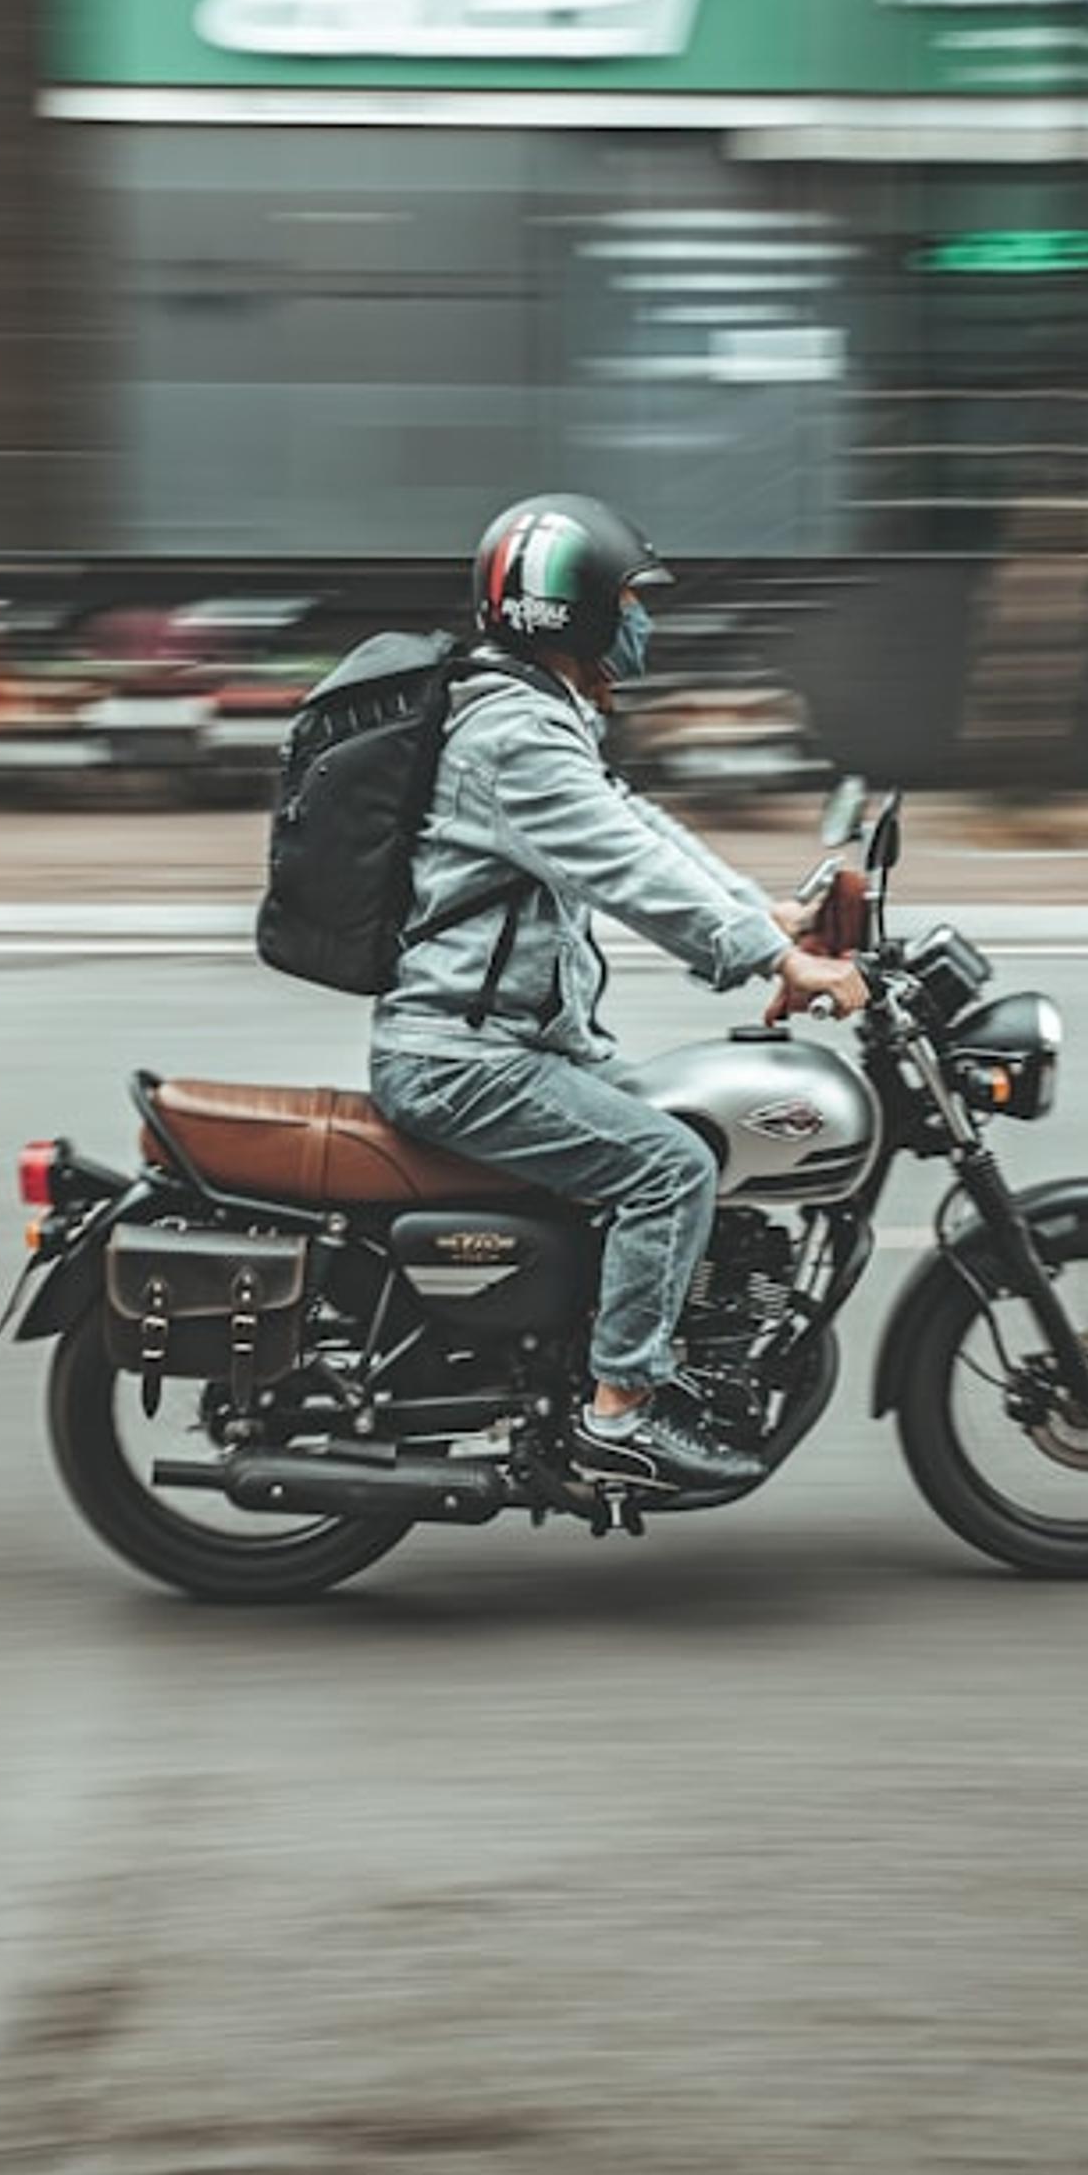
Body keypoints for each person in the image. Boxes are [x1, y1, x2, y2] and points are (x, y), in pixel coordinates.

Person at [369, 494, 868, 1499]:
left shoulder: (532, 714)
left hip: (509, 1041)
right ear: (573, 609)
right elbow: (627, 869)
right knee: (672, 1166)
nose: (645, 622)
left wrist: (764, 918)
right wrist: (775, 964)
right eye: (631, 601)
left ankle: (608, 1354)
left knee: (671, 1125)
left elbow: (642, 832)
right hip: (469, 1061)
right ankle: (619, 1415)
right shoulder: (516, 734)